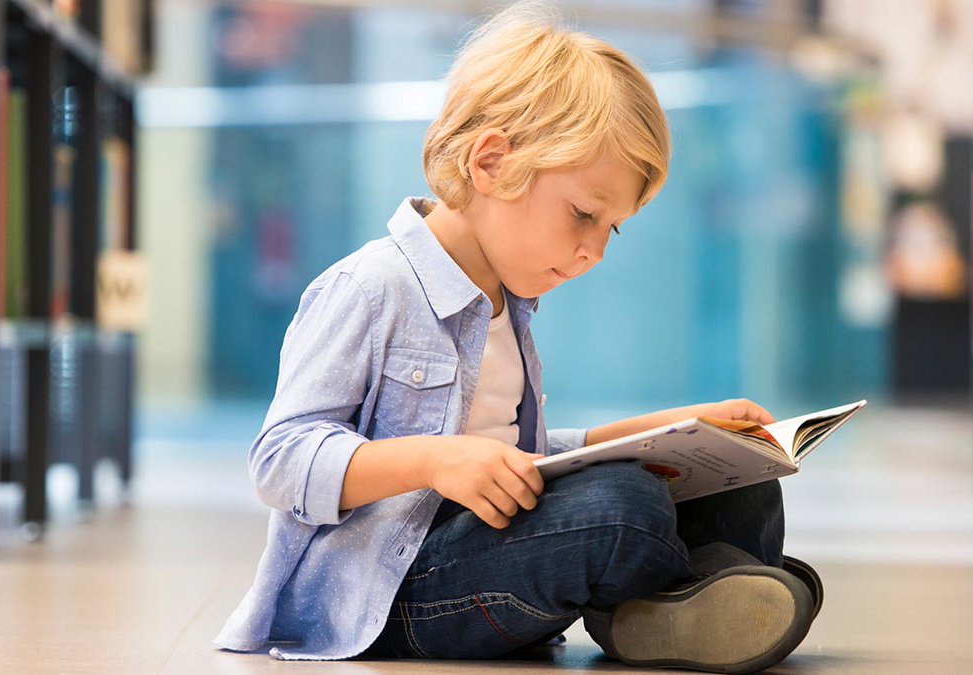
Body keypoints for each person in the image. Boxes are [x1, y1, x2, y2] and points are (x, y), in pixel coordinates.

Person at [214, 2, 822, 672]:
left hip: (487, 558)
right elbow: (280, 457)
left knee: (740, 481)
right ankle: (686, 601)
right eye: (584, 214)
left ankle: (693, 605)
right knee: (622, 505)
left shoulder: (508, 304)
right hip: (398, 596)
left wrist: (669, 433)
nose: (594, 251)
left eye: (610, 229)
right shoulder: (370, 286)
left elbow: (514, 461)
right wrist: (435, 460)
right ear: (492, 163)